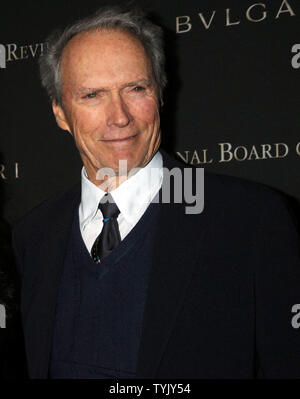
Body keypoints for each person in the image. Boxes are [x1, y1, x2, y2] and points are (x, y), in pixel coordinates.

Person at [12, 5, 300, 379]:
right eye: (92, 95)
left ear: (160, 94)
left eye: (136, 88)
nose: (119, 117)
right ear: (60, 113)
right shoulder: (33, 235)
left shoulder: (251, 220)